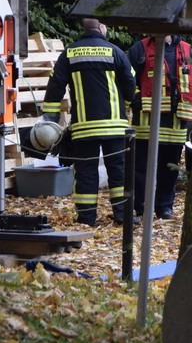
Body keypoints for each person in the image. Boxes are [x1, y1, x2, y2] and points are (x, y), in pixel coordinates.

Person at [42, 19, 138, 226]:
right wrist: (126, 104)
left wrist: (49, 119)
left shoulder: (69, 53)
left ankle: (87, 218)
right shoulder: (115, 52)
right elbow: (130, 82)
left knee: (86, 172)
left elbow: (55, 84)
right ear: (102, 28)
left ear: (83, 29)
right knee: (118, 171)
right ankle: (122, 216)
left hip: (84, 127)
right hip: (114, 126)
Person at [126, 34, 192, 221]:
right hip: (146, 121)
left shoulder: (187, 49)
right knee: (141, 168)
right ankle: (141, 207)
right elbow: (126, 79)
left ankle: (164, 207)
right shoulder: (139, 49)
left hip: (176, 121)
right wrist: (135, 99)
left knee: (170, 169)